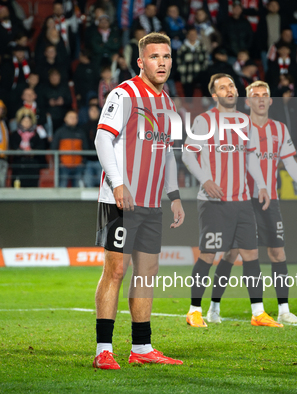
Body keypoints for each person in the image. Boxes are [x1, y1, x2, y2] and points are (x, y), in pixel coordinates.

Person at [93, 32, 184, 370]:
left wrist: (173, 195)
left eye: (166, 56)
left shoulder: (169, 104)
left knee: (147, 273)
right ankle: (104, 349)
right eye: (155, 56)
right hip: (120, 199)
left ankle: (142, 347)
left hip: (151, 202)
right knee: (116, 270)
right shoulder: (125, 93)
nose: (162, 62)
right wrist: (118, 184)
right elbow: (103, 139)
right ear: (141, 62)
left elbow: (169, 154)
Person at [182, 73, 279, 329]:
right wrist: (205, 180)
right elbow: (188, 155)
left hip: (242, 201)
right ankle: (194, 311)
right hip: (213, 201)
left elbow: (251, 158)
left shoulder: (245, 122)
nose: (229, 90)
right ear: (214, 95)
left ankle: (258, 312)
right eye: (222, 87)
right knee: (208, 254)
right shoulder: (204, 121)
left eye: (231, 86)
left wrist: (262, 185)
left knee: (251, 255)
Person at [215, 81, 297, 325]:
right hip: (240, 200)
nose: (260, 99)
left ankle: (284, 310)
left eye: (264, 95)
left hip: (269, 200)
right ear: (247, 101)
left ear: (271, 101)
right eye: (255, 95)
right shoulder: (238, 127)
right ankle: (213, 308)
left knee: (277, 252)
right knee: (232, 254)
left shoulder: (279, 130)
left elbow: (290, 163)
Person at [10, 108, 47, 187]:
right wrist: (20, 151)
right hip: (19, 165)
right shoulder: (15, 134)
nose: (26, 123)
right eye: (24, 121)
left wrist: (32, 151)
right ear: (20, 122)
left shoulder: (37, 134)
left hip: (32, 165)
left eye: (28, 121)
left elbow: (42, 147)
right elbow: (12, 146)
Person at [51, 110, 88, 187]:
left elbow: (85, 148)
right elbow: (54, 148)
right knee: (62, 187)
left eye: (75, 117)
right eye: (70, 117)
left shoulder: (81, 132)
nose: (73, 119)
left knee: (77, 189)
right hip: (63, 165)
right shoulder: (60, 132)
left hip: (78, 165)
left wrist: (83, 162)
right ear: (65, 119)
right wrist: (59, 162)